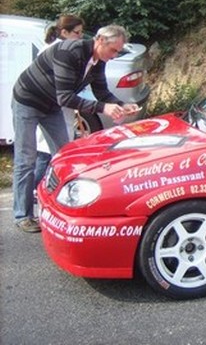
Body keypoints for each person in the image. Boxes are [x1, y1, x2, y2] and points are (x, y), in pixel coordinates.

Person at [11, 24, 138, 233]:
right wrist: (103, 108)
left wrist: (122, 105)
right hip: (28, 100)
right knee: (26, 159)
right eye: (113, 50)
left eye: (118, 51)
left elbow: (102, 91)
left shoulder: (99, 60)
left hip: (51, 105)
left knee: (65, 154)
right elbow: (65, 97)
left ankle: (60, 208)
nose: (115, 56)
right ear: (100, 41)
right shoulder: (69, 52)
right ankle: (22, 215)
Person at [33, 15, 85, 186]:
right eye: (77, 33)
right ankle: (36, 187)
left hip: (60, 106)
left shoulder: (62, 48)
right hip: (49, 106)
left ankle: (44, 186)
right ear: (64, 32)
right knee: (46, 152)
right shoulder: (55, 50)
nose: (80, 36)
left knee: (52, 151)